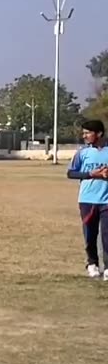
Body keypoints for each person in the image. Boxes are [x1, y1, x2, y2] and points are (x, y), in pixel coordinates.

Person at [67, 119, 108, 279]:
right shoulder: (82, 153)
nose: (84, 136)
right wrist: (91, 174)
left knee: (107, 235)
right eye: (83, 133)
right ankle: (92, 264)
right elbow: (71, 173)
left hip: (106, 200)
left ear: (99, 134)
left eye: (87, 133)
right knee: (90, 235)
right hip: (87, 200)